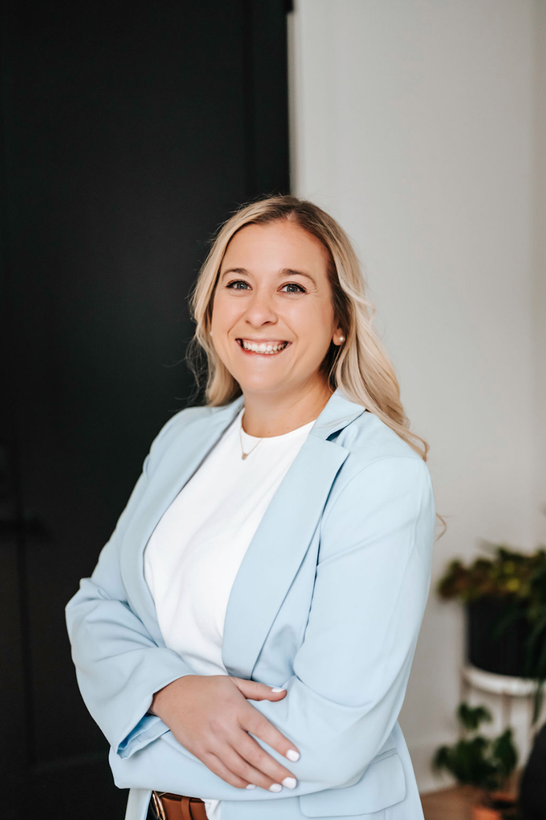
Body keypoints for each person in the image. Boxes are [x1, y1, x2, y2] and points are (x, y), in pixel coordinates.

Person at [66, 195, 442, 820]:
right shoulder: (183, 437)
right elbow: (96, 610)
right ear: (211, 308)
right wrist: (171, 693)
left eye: (292, 287)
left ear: (340, 320)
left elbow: (335, 733)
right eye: (237, 283)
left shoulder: (380, 476)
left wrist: (139, 724)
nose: (259, 312)